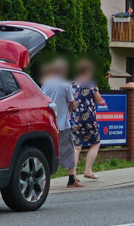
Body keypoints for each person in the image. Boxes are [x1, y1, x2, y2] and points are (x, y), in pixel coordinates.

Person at [39, 58, 81, 188]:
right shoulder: (66, 85)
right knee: (68, 150)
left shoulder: (45, 84)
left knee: (46, 151)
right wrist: (69, 108)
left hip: (49, 125)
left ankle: (43, 179)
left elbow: (41, 101)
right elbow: (72, 103)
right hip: (62, 124)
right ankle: (71, 179)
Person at [70, 59, 104, 180]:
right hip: (89, 119)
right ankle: (88, 170)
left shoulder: (72, 85)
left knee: (76, 146)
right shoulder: (90, 84)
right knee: (95, 143)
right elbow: (99, 100)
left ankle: (73, 174)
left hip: (75, 119)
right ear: (88, 71)